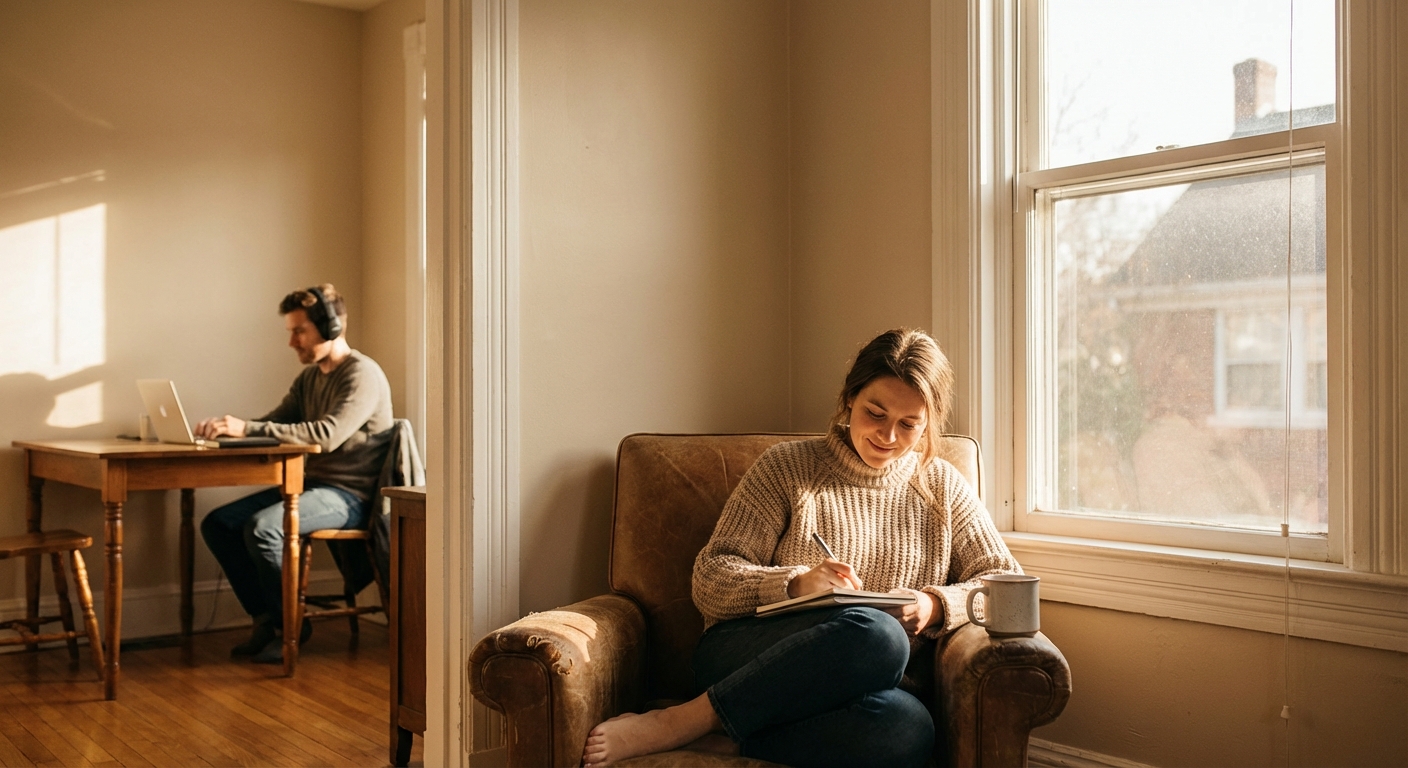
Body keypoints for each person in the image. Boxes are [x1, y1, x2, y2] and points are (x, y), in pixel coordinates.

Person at [582, 328, 1022, 768]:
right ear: (849, 398)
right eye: (875, 413)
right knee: (881, 635)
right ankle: (685, 719)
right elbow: (711, 577)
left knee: (909, 728)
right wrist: (796, 584)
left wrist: (934, 605)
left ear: (928, 425)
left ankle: (728, 738)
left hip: (857, 683)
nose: (888, 435)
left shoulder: (942, 487)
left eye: (909, 424)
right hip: (745, 655)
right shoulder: (786, 468)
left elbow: (1007, 583)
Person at [197, 284, 394, 664]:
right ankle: (266, 619)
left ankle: (291, 627)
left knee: (264, 528)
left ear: (330, 327)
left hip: (352, 498)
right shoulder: (309, 379)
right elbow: (275, 422)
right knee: (218, 524)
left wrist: (248, 430)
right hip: (313, 488)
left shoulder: (362, 375)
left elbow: (326, 435)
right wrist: (226, 429)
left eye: (298, 331)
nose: (291, 342)